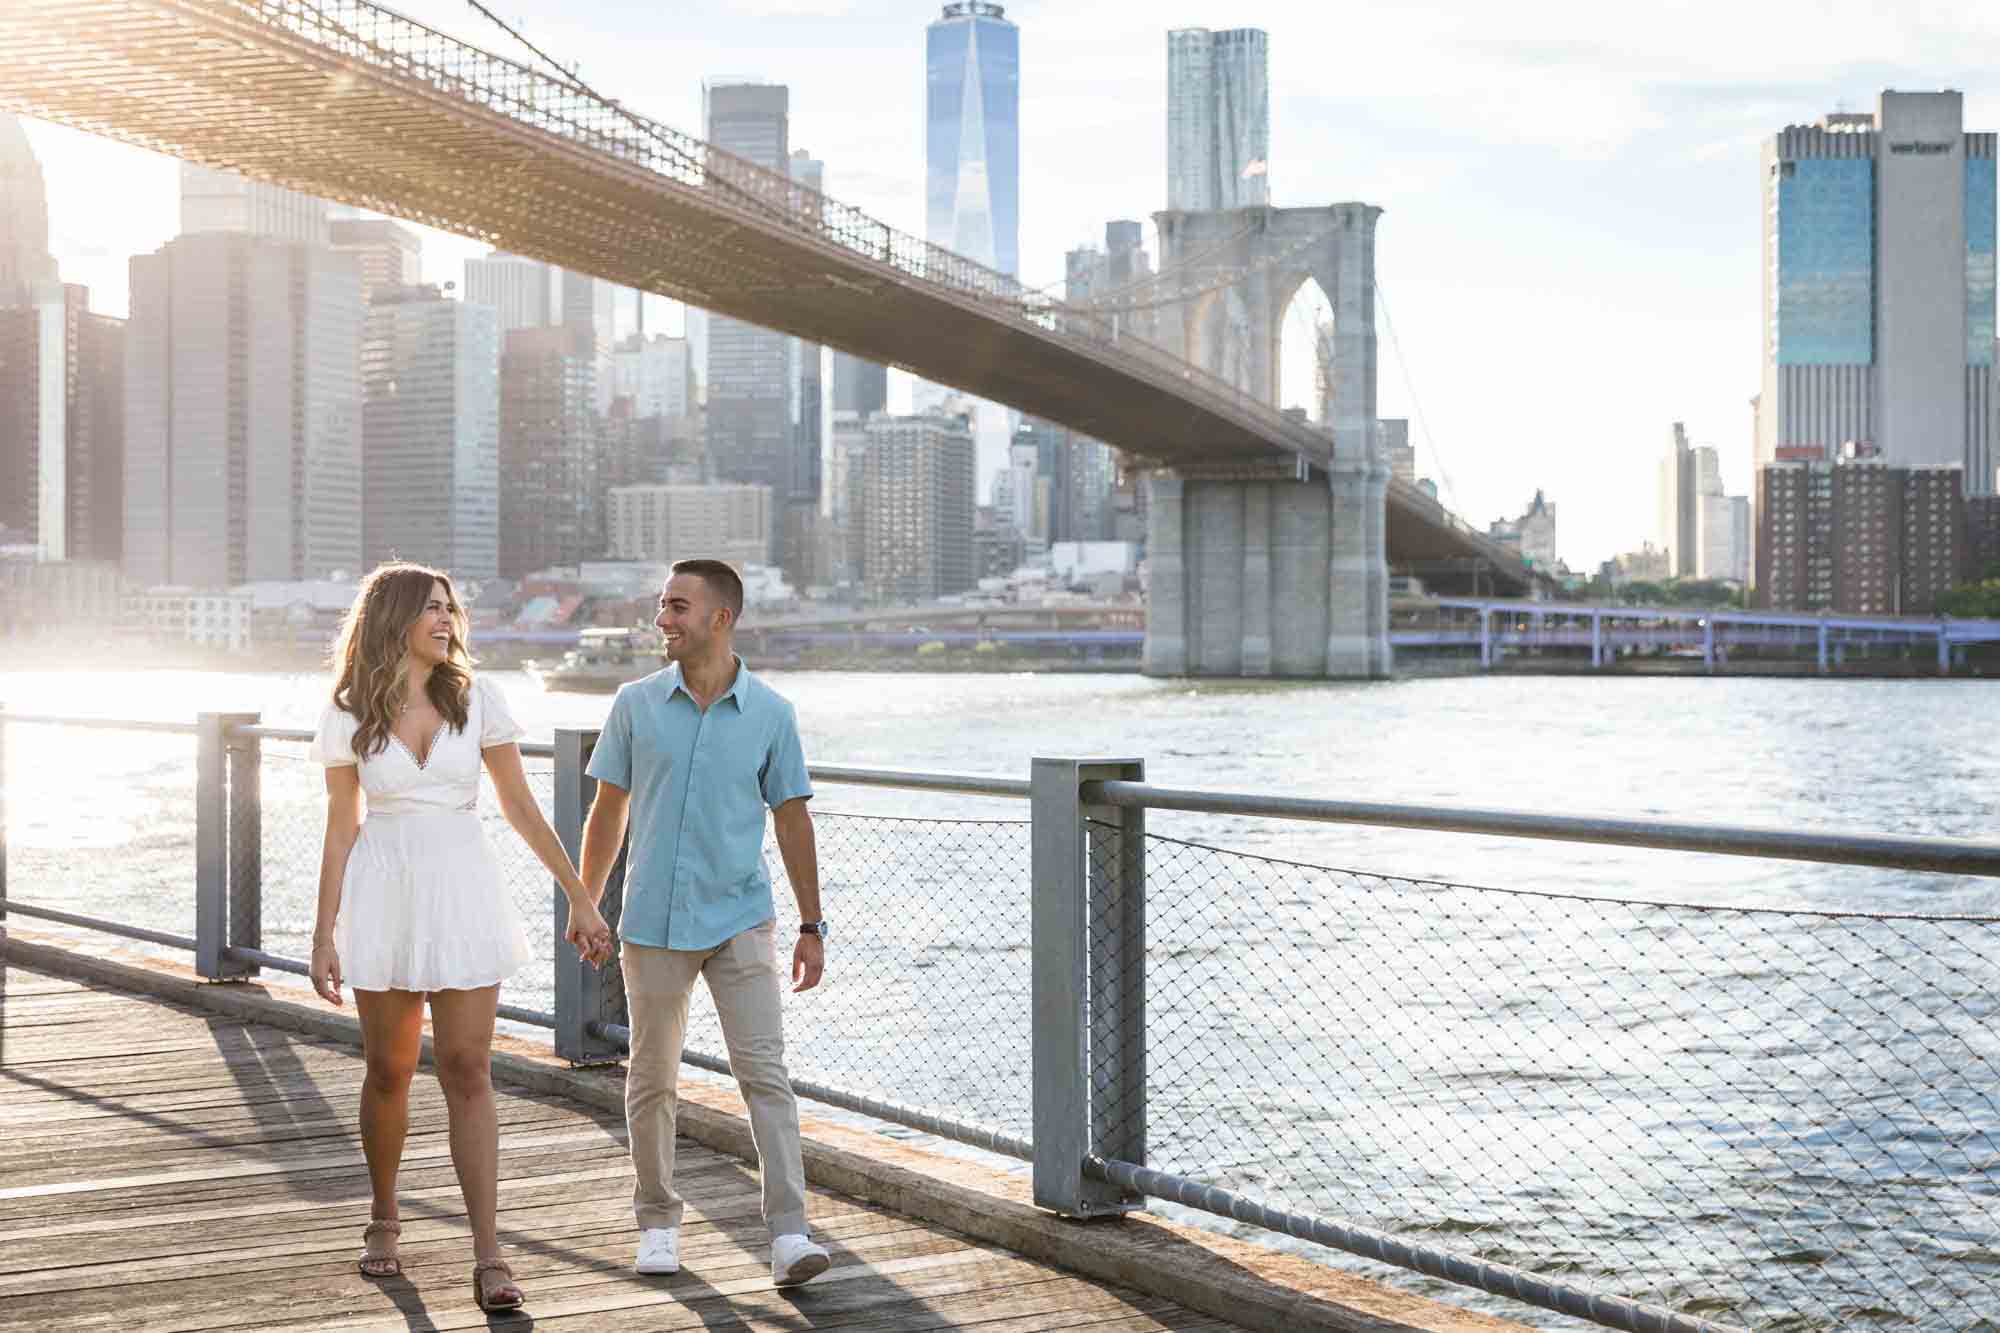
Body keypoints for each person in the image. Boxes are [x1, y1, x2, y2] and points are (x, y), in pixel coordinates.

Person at [308, 562, 614, 1314]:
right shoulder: (349, 707)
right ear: (393, 618)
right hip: (384, 888)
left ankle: (489, 1252)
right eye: (432, 609)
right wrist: (323, 930)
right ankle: (385, 1215)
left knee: (468, 1065)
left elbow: (518, 804)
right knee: (387, 1068)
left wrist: (580, 894)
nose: (447, 621)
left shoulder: (479, 700)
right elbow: (342, 823)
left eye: (451, 609)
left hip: (462, 885)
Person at [579, 557, 831, 1287]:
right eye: (662, 605)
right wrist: (587, 899)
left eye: (678, 607)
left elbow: (791, 818)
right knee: (651, 1077)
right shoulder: (634, 703)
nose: (663, 619)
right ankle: (657, 1222)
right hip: (652, 919)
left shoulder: (772, 715)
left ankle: (789, 1233)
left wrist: (813, 925)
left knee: (765, 1076)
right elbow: (608, 811)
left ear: (720, 618)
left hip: (740, 919)